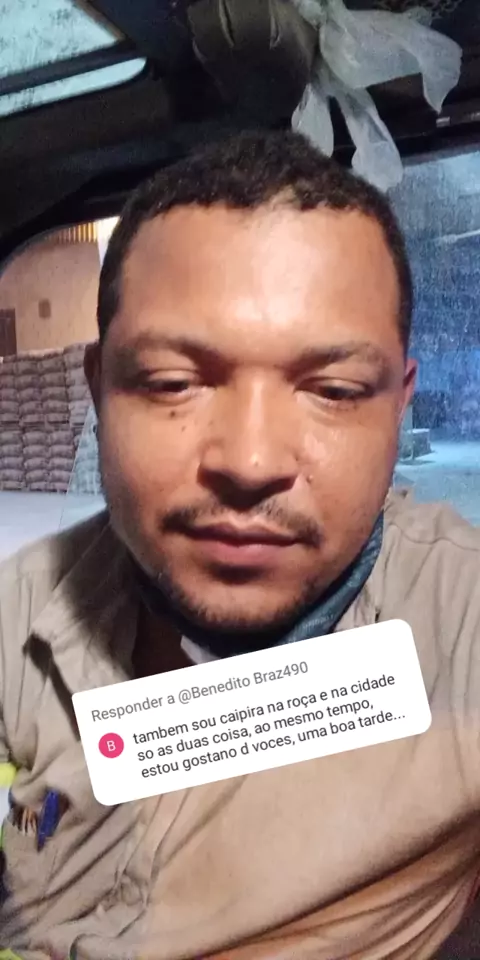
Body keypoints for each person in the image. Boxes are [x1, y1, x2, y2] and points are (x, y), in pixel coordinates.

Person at [0, 130, 480, 960]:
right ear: (98, 390)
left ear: (399, 405)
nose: (251, 463)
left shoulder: (462, 617)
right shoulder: (19, 612)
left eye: (334, 390)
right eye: (172, 383)